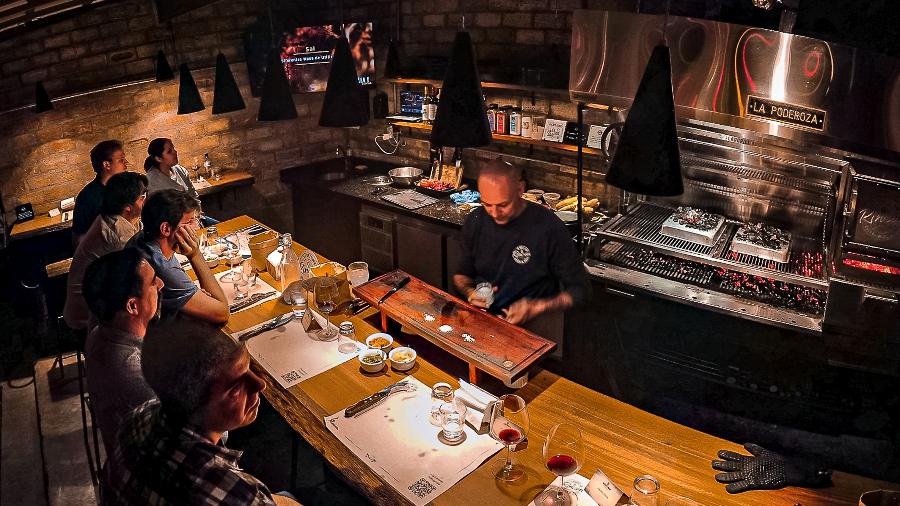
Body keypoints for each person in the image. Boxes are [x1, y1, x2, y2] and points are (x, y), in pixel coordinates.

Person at [104, 319, 300, 505]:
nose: (260, 384)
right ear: (199, 401)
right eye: (235, 387)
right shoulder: (238, 493)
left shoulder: (139, 416)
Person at [453, 159, 591, 343]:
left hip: (535, 331)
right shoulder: (475, 220)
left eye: (503, 205)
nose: (494, 213)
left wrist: (536, 306)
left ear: (520, 190)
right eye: (487, 204)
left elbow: (581, 291)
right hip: (484, 326)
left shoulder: (548, 227)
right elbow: (461, 275)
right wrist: (470, 293)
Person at [81, 248, 162, 455]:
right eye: (153, 282)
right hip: (151, 471)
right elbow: (191, 439)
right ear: (132, 306)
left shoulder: (98, 333)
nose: (161, 284)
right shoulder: (134, 371)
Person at [126, 189, 229, 324]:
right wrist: (195, 254)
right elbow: (222, 312)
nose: (197, 226)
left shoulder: (142, 238)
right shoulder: (160, 265)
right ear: (166, 229)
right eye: (190, 221)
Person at [64, 172, 148, 333]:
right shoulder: (117, 234)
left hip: (100, 301)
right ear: (127, 207)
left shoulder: (124, 218)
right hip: (89, 316)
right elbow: (137, 276)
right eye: (142, 197)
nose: (146, 200)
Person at [144, 137, 218, 226]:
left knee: (221, 228)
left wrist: (198, 216)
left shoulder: (180, 170)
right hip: (175, 226)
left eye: (173, 148)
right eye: (169, 151)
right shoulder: (150, 181)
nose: (175, 152)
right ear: (159, 158)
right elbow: (157, 214)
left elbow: (193, 195)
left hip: (195, 218)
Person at [73, 140, 130, 245]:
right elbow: (80, 237)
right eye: (121, 159)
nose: (126, 163)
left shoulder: (125, 188)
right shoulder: (87, 197)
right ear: (106, 164)